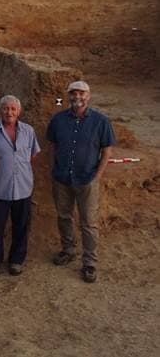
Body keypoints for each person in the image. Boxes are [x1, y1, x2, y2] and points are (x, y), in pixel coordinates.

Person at [47, 81, 115, 283]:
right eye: (74, 93)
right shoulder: (58, 120)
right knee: (64, 216)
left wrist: (98, 176)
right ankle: (68, 250)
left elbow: (107, 151)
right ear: (68, 96)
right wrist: (53, 169)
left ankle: (90, 263)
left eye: (82, 93)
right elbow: (52, 147)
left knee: (88, 222)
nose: (77, 97)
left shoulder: (100, 121)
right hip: (62, 178)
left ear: (89, 96)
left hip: (87, 180)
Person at [0, 95, 40, 277]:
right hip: (0, 187)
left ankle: (16, 260)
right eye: (6, 109)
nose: (9, 112)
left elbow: (32, 155)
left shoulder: (28, 131)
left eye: (13, 109)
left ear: (19, 111)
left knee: (21, 226)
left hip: (23, 187)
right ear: (0, 110)